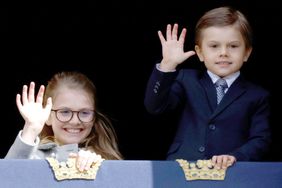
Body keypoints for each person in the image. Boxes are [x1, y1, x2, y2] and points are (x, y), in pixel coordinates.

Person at [144, 6, 271, 169]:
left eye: (233, 46)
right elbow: (155, 107)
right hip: (183, 168)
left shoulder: (257, 95)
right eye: (214, 46)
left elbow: (261, 139)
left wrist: (235, 156)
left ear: (246, 52)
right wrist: (168, 65)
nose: (224, 52)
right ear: (200, 52)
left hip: (231, 173)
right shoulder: (186, 79)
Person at [5, 71, 123, 171]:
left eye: (84, 113)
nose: (75, 121)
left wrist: (99, 167)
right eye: (65, 112)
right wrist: (31, 129)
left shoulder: (104, 159)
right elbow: (7, 177)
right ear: (48, 116)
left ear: (94, 118)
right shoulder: (32, 157)